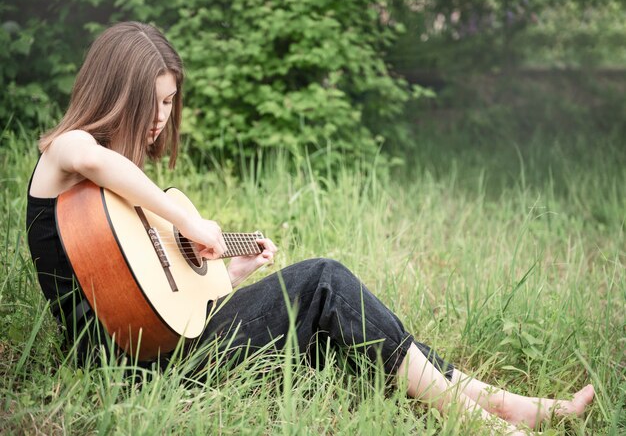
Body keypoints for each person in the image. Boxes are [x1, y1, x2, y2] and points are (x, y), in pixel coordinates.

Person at [26, 22, 594, 434]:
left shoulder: (121, 201)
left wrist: (226, 272)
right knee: (324, 280)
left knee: (341, 323)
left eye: (171, 102)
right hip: (139, 375)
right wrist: (191, 219)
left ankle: (497, 400)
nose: (163, 118)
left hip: (165, 347)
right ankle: (478, 422)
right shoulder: (64, 161)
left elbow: (156, 299)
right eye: (151, 103)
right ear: (113, 96)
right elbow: (94, 157)